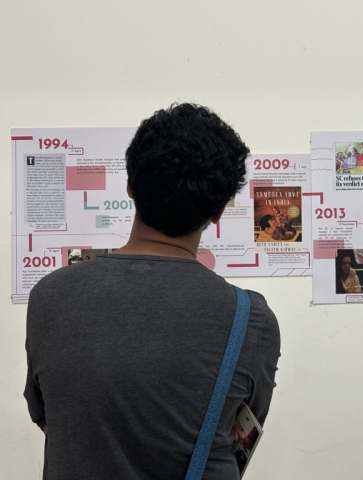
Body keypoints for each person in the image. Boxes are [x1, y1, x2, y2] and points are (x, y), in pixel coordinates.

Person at [24, 103, 281, 479]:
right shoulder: (250, 319)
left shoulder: (50, 296)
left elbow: (50, 416)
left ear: (130, 186)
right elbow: (240, 428)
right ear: (218, 212)